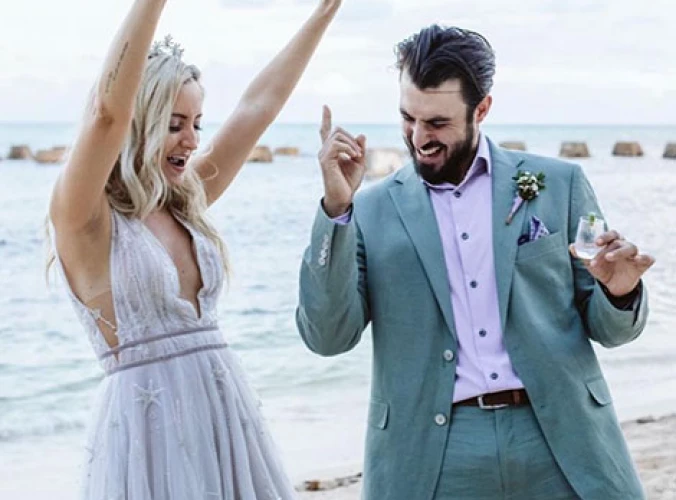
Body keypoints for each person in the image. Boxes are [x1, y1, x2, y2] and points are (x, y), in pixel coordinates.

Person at [296, 24, 655, 500]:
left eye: (438, 124)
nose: (419, 138)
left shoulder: (560, 184)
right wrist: (336, 211)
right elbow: (327, 337)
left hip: (561, 440)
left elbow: (612, 331)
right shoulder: (370, 210)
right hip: (433, 454)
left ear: (481, 108)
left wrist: (620, 291)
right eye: (408, 118)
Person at [47, 0, 342, 497]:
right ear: (139, 123)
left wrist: (326, 10)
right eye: (174, 122)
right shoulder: (84, 219)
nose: (191, 140)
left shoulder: (186, 199)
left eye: (197, 122)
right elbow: (105, 114)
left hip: (226, 420)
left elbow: (257, 109)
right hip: (149, 440)